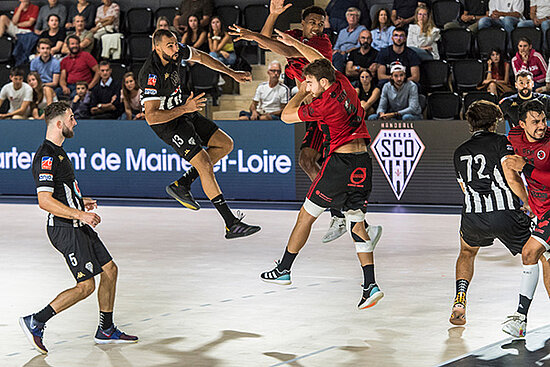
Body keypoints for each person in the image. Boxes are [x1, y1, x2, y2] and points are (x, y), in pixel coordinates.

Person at [260, 30, 384, 310]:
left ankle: (284, 269)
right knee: (357, 221)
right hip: (363, 162)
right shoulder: (342, 82)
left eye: (310, 82)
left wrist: (300, 94)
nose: (307, 85)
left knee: (305, 216)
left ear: (322, 83)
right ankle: (370, 284)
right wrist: (294, 44)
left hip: (339, 164)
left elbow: (285, 116)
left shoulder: (323, 104)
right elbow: (317, 60)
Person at [19, 101, 138, 355]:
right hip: (64, 227)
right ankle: (36, 321)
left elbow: (60, 192)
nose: (76, 122)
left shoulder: (59, 152)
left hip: (75, 220)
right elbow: (44, 201)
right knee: (86, 286)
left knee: (110, 270)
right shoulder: (47, 156)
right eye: (72, 118)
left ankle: (106, 329)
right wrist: (80, 214)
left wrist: (79, 202)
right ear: (59, 123)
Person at [230, 4, 350, 243]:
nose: (317, 26)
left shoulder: (322, 44)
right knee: (307, 160)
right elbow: (266, 43)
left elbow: (286, 49)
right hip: (311, 110)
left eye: (320, 22)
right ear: (302, 24)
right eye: (312, 22)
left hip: (328, 109)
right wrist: (273, 14)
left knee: (326, 161)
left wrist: (253, 35)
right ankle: (342, 212)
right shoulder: (295, 36)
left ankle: (347, 214)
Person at [138, 29, 260, 239]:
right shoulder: (150, 73)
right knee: (204, 164)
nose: (175, 48)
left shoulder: (177, 52)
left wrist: (231, 73)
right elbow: (151, 117)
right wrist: (185, 109)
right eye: (170, 45)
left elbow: (202, 57)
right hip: (168, 122)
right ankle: (230, 224)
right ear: (156, 47)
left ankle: (182, 184)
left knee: (225, 144)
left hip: (185, 109)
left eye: (176, 44)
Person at [450, 100, 550, 336]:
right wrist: (526, 202)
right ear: (494, 122)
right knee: (542, 254)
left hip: (473, 217)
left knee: (466, 252)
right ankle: (523, 316)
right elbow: (511, 175)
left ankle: (459, 300)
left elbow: (464, 188)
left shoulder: (459, 152)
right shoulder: (503, 142)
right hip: (506, 215)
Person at [503, 99, 550, 337]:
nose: (541, 125)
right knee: (548, 262)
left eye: (543, 120)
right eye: (535, 122)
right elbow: (510, 170)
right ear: (522, 124)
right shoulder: (514, 137)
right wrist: (527, 203)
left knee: (530, 252)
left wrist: (526, 168)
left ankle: (520, 318)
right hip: (541, 212)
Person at [58, 35, 100, 99]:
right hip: (70, 86)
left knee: (74, 96)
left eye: (77, 43)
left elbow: (98, 71)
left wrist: (90, 86)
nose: (75, 46)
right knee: (55, 92)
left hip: (83, 85)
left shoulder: (86, 56)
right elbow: (62, 78)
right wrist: (64, 87)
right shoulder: (64, 60)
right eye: (72, 44)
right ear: (68, 46)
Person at [331, 7, 366, 72]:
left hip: (352, 55)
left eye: (355, 15)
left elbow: (359, 46)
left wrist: (345, 52)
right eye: (350, 15)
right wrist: (336, 51)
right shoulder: (342, 31)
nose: (352, 17)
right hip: (339, 54)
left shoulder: (362, 30)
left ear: (358, 18)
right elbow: (336, 47)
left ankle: (338, 78)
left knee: (337, 57)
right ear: (347, 17)